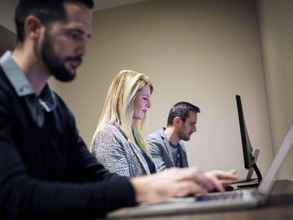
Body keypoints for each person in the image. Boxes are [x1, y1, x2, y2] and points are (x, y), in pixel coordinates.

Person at [0, 0, 238, 219]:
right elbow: (14, 196)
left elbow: (96, 176)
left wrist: (179, 181)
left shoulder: (57, 108)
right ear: (34, 28)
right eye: (74, 34)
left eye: (86, 37)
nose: (83, 48)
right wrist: (139, 188)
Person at [91, 70, 156, 176]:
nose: (149, 105)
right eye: (145, 98)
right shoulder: (107, 136)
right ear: (128, 98)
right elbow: (119, 189)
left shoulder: (135, 136)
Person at [147, 102, 200, 170]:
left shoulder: (181, 145)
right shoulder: (153, 142)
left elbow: (184, 174)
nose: (194, 129)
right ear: (177, 121)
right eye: (191, 124)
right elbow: (162, 176)